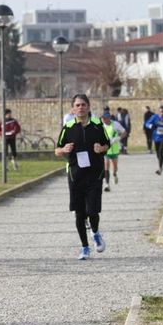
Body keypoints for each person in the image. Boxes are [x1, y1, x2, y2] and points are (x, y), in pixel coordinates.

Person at [55, 94, 110, 260]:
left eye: (83, 105)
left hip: (95, 174)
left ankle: (95, 232)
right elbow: (56, 150)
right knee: (79, 213)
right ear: (72, 108)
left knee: (92, 211)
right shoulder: (68, 127)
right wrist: (64, 150)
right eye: (77, 105)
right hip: (75, 175)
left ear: (88, 107)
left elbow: (107, 144)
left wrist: (101, 149)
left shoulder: (97, 125)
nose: (80, 108)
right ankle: (85, 247)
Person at [101, 111, 126, 192]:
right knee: (106, 166)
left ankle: (115, 174)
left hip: (114, 149)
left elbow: (124, 132)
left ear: (109, 118)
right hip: (105, 149)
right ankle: (107, 184)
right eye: (104, 118)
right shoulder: (100, 126)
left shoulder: (115, 124)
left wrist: (118, 138)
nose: (105, 120)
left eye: (107, 118)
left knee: (115, 167)